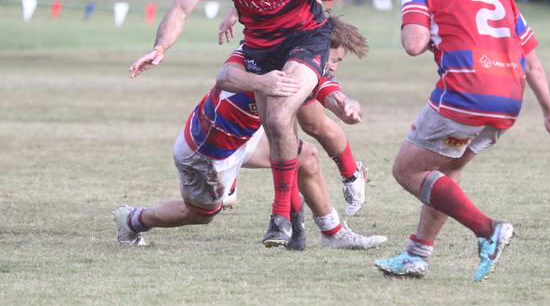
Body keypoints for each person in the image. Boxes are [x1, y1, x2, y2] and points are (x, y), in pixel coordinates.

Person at [128, 0, 354, 248]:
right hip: (260, 46)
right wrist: (160, 47)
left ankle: (286, 218)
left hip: (306, 35)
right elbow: (182, 9)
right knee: (207, 207)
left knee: (283, 120)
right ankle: (298, 217)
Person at [374, 0, 550, 281]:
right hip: (507, 102)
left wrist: (431, 31)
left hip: (465, 93)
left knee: (407, 170)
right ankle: (416, 255)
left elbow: (413, 44)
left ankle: (488, 230)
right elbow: (532, 61)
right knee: (446, 171)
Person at [113, 18, 386, 251]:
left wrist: (350, 106)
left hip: (246, 140)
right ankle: (133, 220)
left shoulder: (303, 66)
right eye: (335, 59)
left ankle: (332, 232)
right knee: (201, 214)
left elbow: (334, 97)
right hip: (208, 149)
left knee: (307, 157)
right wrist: (262, 83)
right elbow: (225, 78)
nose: (333, 66)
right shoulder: (254, 53)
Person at [217, 0, 369, 217]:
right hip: (267, 45)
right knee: (276, 123)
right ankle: (291, 213)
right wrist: (235, 10)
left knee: (311, 123)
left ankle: (350, 173)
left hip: (302, 42)